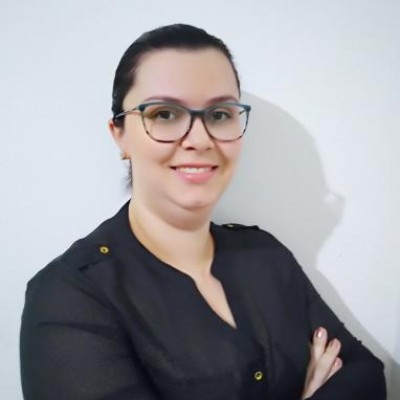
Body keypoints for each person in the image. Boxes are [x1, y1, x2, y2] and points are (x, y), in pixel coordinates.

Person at [20, 24, 386, 400]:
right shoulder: (70, 295)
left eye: (220, 114)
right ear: (120, 134)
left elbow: (366, 375)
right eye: (164, 114)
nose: (199, 139)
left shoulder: (266, 256)